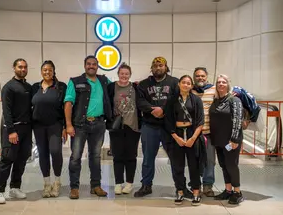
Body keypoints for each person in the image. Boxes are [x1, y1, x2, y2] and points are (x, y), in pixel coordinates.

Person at [134, 57, 193, 198]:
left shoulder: (174, 82)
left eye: (161, 65)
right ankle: (146, 185)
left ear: (166, 67)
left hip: (170, 127)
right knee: (148, 158)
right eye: (155, 65)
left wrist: (163, 110)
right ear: (151, 68)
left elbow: (178, 98)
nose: (158, 68)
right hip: (149, 126)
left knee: (175, 159)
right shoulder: (143, 84)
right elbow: (139, 101)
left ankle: (181, 187)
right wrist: (152, 109)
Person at [64, 55, 112, 199]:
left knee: (96, 157)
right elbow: (68, 103)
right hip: (79, 125)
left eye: (94, 64)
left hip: (98, 124)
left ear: (97, 66)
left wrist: (134, 84)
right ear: (84, 66)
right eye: (89, 64)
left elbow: (117, 88)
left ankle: (96, 186)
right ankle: (74, 187)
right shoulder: (75, 82)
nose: (91, 66)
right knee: (76, 156)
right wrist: (68, 125)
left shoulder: (104, 81)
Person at [0, 58, 32, 204]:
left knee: (21, 160)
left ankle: (15, 188)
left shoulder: (28, 87)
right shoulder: (8, 87)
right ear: (14, 68)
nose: (23, 69)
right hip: (12, 129)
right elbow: (6, 111)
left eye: (25, 67)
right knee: (7, 159)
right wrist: (11, 131)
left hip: (26, 130)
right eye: (20, 67)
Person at [165, 75, 204, 206]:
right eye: (183, 82)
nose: (186, 85)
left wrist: (193, 138)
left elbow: (200, 121)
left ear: (191, 86)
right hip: (177, 134)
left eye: (188, 83)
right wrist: (176, 137)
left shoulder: (196, 100)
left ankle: (196, 192)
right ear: (179, 84)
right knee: (177, 165)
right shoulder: (171, 100)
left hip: (192, 134)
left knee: (194, 165)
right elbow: (168, 121)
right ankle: (180, 191)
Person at [31, 60, 67, 198]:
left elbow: (66, 107)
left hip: (55, 125)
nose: (47, 72)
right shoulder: (35, 87)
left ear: (53, 71)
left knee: (55, 151)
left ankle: (57, 182)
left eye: (50, 70)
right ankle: (47, 183)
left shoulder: (61, 87)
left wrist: (65, 126)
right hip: (38, 126)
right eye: (45, 70)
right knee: (43, 154)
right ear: (41, 71)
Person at [107, 62, 142, 195]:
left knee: (131, 156)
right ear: (118, 74)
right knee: (117, 155)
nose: (124, 76)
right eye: (122, 73)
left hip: (133, 126)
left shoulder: (136, 87)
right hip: (117, 127)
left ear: (130, 75)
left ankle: (129, 183)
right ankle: (118, 183)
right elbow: (106, 102)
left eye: (126, 74)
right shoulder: (111, 87)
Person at [209, 74, 244, 204]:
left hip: (231, 141)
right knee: (224, 165)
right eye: (218, 82)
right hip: (219, 140)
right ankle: (228, 190)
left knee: (231, 165)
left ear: (228, 85)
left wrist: (234, 139)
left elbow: (237, 120)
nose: (221, 84)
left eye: (223, 82)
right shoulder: (216, 100)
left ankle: (237, 192)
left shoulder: (234, 100)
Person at [192, 67, 216, 197]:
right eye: (197, 76)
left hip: (209, 132)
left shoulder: (214, 90)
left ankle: (208, 185)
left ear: (206, 77)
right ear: (194, 77)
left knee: (209, 160)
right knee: (194, 160)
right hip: (194, 133)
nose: (200, 78)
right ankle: (195, 185)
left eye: (202, 76)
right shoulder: (190, 90)